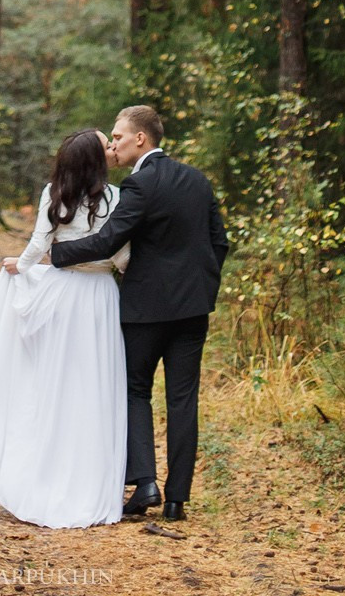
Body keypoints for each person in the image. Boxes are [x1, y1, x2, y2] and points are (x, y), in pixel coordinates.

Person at [48, 104, 229, 522]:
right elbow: (219, 243)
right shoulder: (197, 180)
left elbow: (108, 242)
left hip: (145, 310)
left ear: (140, 139)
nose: (113, 143)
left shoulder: (139, 185)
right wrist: (203, 287)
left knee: (135, 391)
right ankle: (176, 500)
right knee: (184, 399)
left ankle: (145, 481)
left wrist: (55, 254)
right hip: (193, 311)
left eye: (118, 136)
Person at [0, 129, 130, 528]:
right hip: (98, 298)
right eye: (106, 143)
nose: (111, 148)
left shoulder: (53, 192)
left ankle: (40, 472)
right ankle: (88, 481)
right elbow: (121, 253)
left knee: (52, 383)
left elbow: (40, 241)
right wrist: (119, 270)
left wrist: (19, 266)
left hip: (61, 293)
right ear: (94, 158)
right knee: (92, 387)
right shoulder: (115, 198)